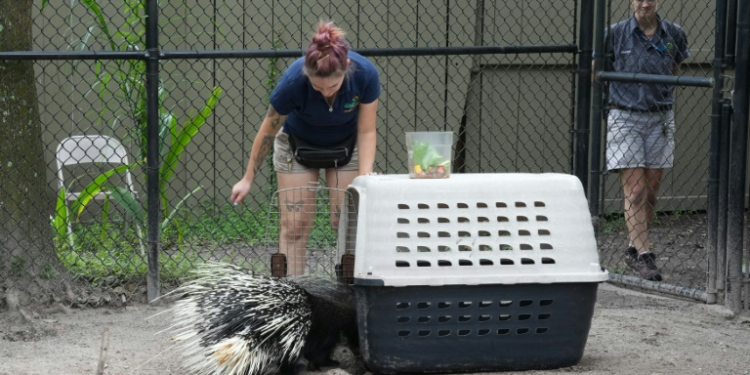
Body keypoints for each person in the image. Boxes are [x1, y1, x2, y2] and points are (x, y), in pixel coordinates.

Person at [230, 21, 381, 276]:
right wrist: (247, 178)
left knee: (344, 223)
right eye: (317, 87)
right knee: (294, 226)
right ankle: (293, 294)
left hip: (346, 148)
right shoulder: (293, 80)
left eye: (332, 86)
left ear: (346, 67)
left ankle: (349, 296)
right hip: (297, 147)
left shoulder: (365, 74)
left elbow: (366, 131)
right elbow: (268, 130)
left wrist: (364, 176)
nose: (325, 93)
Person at [604, 0, 689, 281]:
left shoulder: (673, 34)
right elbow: (597, 70)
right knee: (637, 191)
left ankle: (633, 247)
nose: (644, 3)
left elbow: (676, 67)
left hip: (660, 118)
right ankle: (644, 255)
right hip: (625, 117)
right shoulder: (614, 34)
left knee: (651, 193)